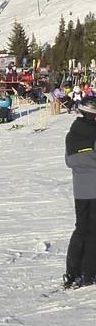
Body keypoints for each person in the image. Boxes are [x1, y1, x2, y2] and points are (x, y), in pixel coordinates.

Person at [63, 98, 96, 289]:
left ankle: (73, 272)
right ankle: (89, 273)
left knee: (82, 229)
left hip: (81, 190)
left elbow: (70, 161)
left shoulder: (72, 134)